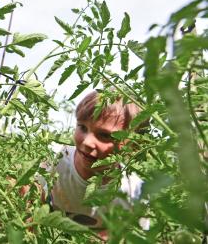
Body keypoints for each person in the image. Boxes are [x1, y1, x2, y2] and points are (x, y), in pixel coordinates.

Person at [50, 90, 148, 230]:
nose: (87, 142)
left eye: (104, 135)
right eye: (82, 127)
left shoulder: (135, 194)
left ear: (133, 146)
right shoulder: (55, 160)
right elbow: (31, 202)